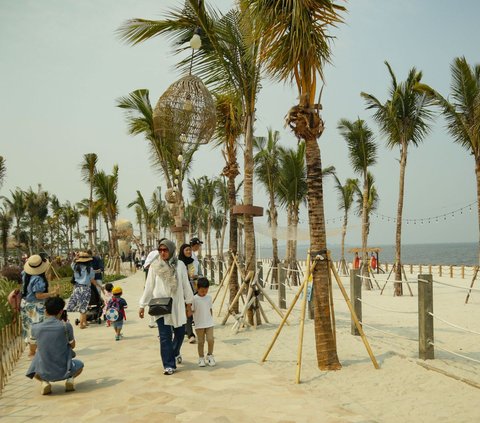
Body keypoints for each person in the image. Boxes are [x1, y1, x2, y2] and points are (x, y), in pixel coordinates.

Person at [138, 239, 194, 375]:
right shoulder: (154, 266)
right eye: (160, 250)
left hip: (177, 305)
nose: (162, 253)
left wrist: (189, 303)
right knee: (165, 336)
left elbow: (186, 285)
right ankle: (169, 365)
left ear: (171, 250)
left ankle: (174, 353)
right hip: (161, 305)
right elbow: (149, 286)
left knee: (180, 333)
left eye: (165, 250)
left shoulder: (180, 265)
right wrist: (142, 305)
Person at [26, 296, 84, 395]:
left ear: (45, 311)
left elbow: (33, 348)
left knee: (33, 368)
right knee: (80, 365)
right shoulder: (66, 326)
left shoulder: (35, 328)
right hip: (65, 368)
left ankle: (44, 382)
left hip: (44, 370)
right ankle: (70, 379)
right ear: (61, 311)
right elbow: (73, 345)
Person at [20, 254, 59, 357]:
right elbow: (38, 295)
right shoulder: (38, 279)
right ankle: (33, 353)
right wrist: (52, 293)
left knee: (29, 327)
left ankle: (32, 351)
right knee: (37, 328)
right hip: (35, 305)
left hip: (25, 303)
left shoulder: (25, 274)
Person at [66, 252, 104, 329]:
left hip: (77, 288)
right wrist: (100, 286)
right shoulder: (90, 269)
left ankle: (85, 321)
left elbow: (72, 263)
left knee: (82, 306)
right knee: (84, 307)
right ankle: (81, 324)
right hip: (85, 289)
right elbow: (92, 280)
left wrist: (75, 258)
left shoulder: (76, 267)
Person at [192, 277, 215, 367]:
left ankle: (210, 355)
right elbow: (192, 310)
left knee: (211, 340)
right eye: (202, 291)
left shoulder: (209, 298)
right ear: (197, 288)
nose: (204, 293)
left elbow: (210, 309)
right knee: (201, 342)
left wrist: (211, 319)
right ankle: (201, 358)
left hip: (209, 323)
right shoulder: (194, 299)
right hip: (199, 324)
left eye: (206, 291)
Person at [178, 243, 198, 344]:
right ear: (182, 251)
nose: (189, 252)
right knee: (181, 311)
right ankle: (185, 330)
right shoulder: (177, 263)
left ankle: (190, 334)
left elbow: (192, 275)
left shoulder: (191, 262)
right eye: (187, 250)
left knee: (189, 309)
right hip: (179, 290)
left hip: (189, 289)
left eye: (190, 250)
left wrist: (194, 278)